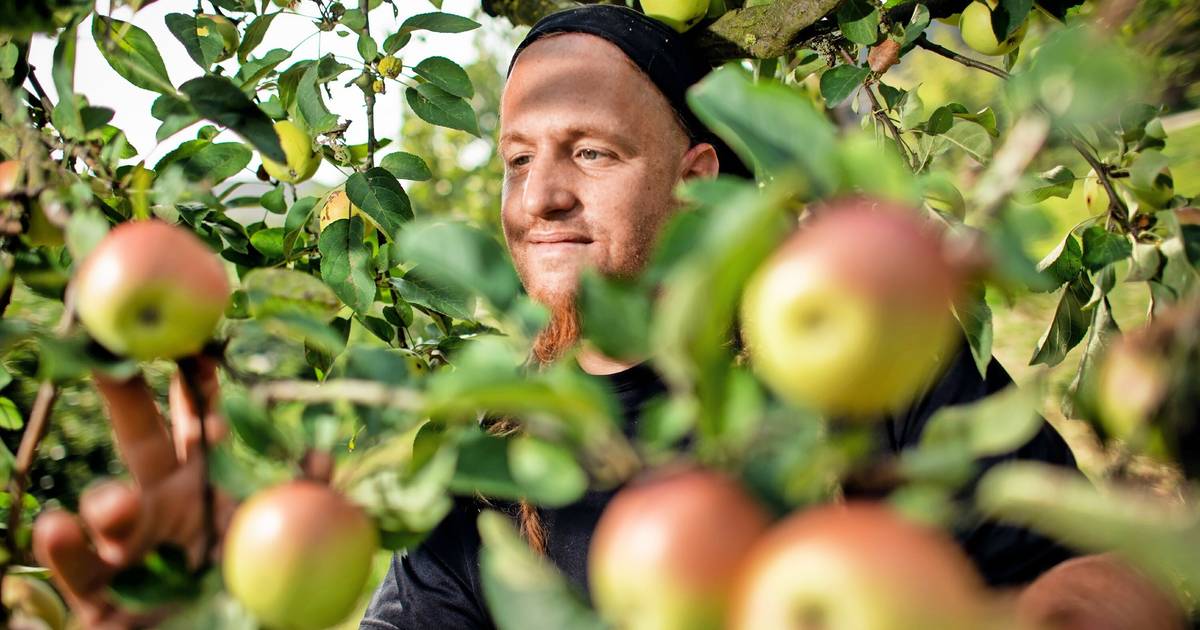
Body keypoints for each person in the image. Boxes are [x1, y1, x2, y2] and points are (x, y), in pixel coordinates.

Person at [30, 5, 1186, 630]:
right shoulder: (487, 474)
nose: (539, 197)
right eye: (517, 158)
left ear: (696, 176)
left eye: (590, 151)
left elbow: (1095, 582)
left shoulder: (871, 375)